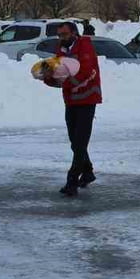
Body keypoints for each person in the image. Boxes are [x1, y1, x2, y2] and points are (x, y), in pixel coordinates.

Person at [47, 21, 101, 196]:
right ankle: (87, 172)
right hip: (71, 101)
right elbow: (58, 73)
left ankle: (72, 182)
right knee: (74, 141)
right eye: (59, 35)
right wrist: (47, 77)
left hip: (87, 100)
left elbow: (85, 72)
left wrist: (66, 83)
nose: (61, 38)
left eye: (64, 34)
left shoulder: (85, 47)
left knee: (79, 143)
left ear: (74, 33)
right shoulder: (61, 50)